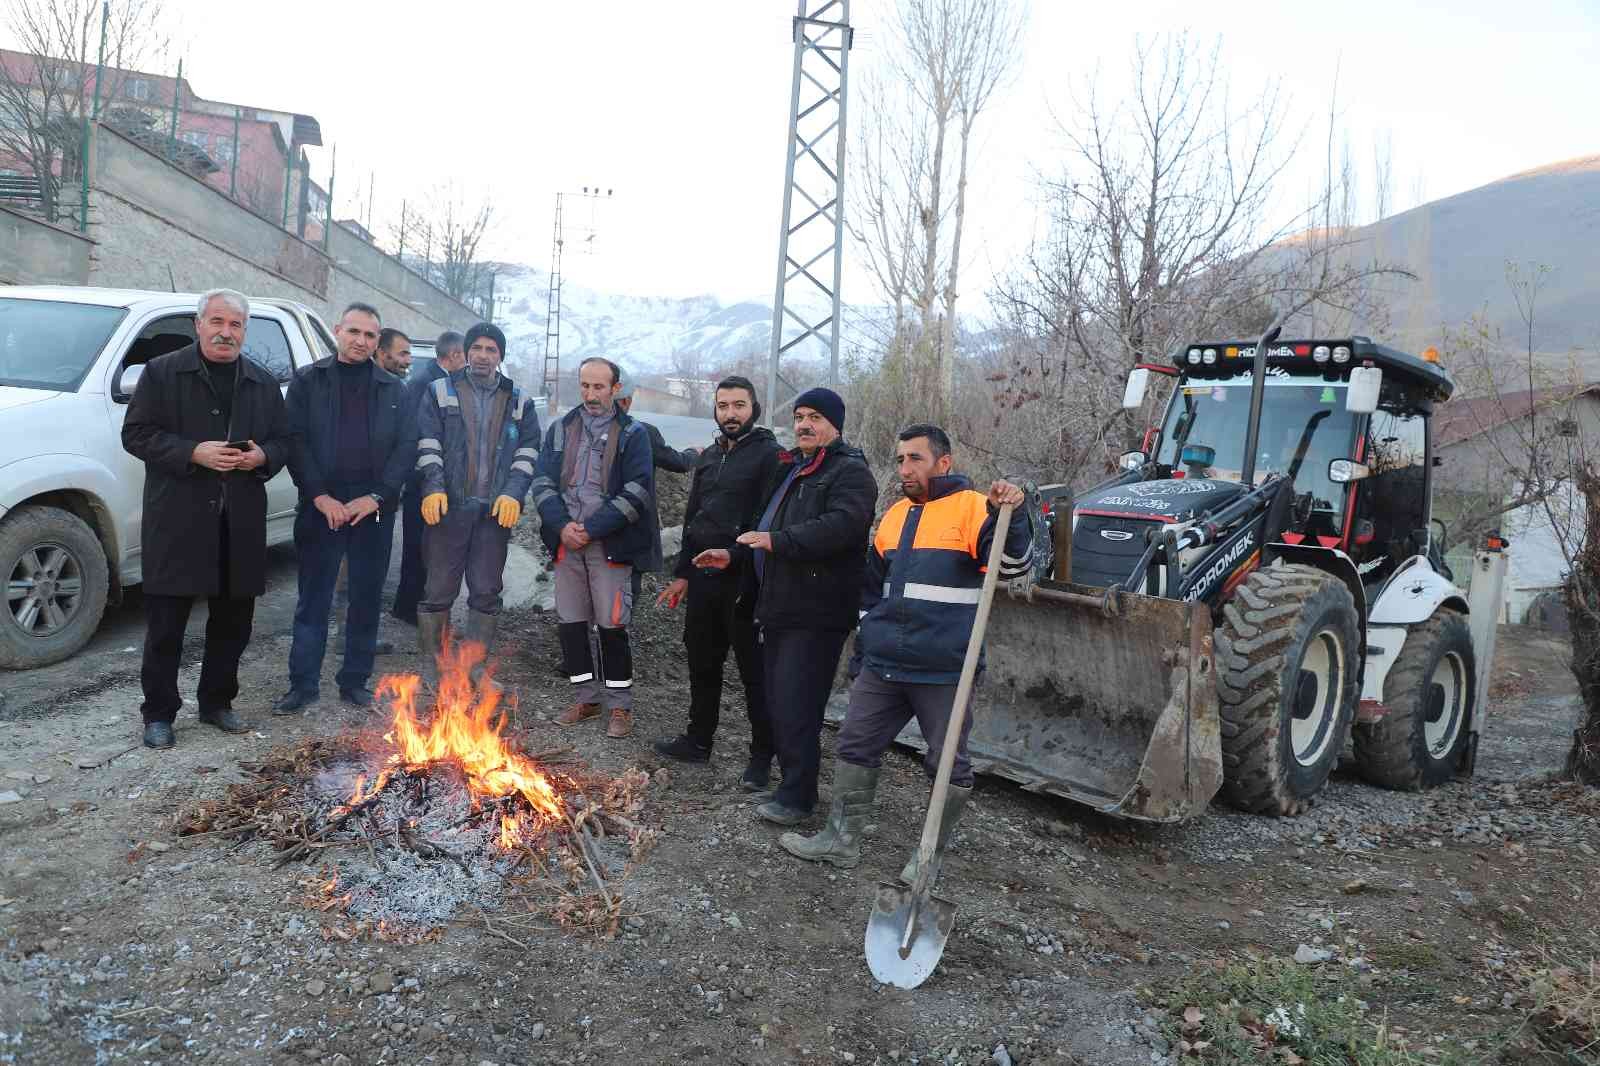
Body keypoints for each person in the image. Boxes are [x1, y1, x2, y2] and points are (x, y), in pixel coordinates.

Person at [779, 424, 1032, 877]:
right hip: (883, 665)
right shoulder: (894, 515)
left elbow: (1012, 568)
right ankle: (841, 840)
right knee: (856, 745)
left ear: (943, 462)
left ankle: (928, 860)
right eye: (899, 460)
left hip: (945, 668)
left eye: (915, 458)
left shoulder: (976, 508)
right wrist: (863, 652)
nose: (904, 468)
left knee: (946, 762)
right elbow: (871, 593)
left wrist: (1012, 515)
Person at [693, 387, 876, 825]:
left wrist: (776, 542)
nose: (803, 425)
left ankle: (797, 798)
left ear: (835, 423)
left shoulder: (850, 473)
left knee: (798, 702)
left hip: (817, 610)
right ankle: (792, 785)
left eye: (814, 416)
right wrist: (735, 555)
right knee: (780, 699)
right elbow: (764, 527)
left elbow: (839, 528)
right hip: (779, 605)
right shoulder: (794, 469)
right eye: (798, 416)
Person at [121, 289, 291, 749]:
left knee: (233, 624)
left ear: (244, 331)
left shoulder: (261, 381)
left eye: (235, 325)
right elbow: (135, 435)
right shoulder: (162, 372)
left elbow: (284, 440)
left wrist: (263, 457)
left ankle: (217, 703)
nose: (225, 332)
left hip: (239, 523)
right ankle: (158, 714)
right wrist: (191, 452)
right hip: (177, 520)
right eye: (217, 321)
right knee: (166, 627)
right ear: (199, 325)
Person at [274, 302, 416, 714]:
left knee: (366, 597)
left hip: (372, 507)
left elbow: (406, 448)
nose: (361, 341)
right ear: (338, 331)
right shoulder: (308, 381)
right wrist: (319, 496)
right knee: (313, 598)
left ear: (377, 342)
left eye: (370, 336)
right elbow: (294, 440)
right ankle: (302, 685)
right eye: (354, 332)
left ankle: (354, 681)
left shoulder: (394, 389)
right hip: (322, 505)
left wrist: (377, 496)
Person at [651, 376, 782, 786]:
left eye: (738, 405)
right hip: (704, 577)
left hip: (747, 581)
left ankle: (761, 758)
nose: (730, 413)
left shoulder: (770, 457)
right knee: (701, 662)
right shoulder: (708, 456)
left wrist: (739, 556)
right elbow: (694, 518)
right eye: (723, 405)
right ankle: (698, 740)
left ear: (754, 409)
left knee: (753, 673)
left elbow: (771, 522)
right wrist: (683, 574)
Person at [529, 357, 655, 739]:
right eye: (585, 386)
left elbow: (638, 491)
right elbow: (542, 482)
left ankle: (620, 707)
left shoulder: (633, 434)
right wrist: (562, 526)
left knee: (612, 624)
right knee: (570, 622)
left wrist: (591, 529)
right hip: (567, 543)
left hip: (609, 545)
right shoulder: (560, 429)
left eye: (599, 387)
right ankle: (586, 698)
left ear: (616, 389)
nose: (590, 394)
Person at [413, 322, 541, 678]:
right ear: (466, 352)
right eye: (478, 348)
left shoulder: (519, 399)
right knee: (438, 591)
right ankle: (434, 674)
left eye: (492, 349)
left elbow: (529, 450)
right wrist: (434, 486)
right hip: (449, 509)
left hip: (492, 515)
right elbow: (427, 441)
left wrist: (514, 492)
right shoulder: (439, 391)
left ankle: (472, 674)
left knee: (486, 592)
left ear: (500, 356)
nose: (484, 355)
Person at [393, 330, 465, 624]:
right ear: (454, 355)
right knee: (419, 546)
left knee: (426, 545)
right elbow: (418, 431)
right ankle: (410, 609)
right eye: (465, 354)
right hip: (422, 477)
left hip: (427, 475)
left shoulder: (434, 378)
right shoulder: (429, 383)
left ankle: (410, 606)